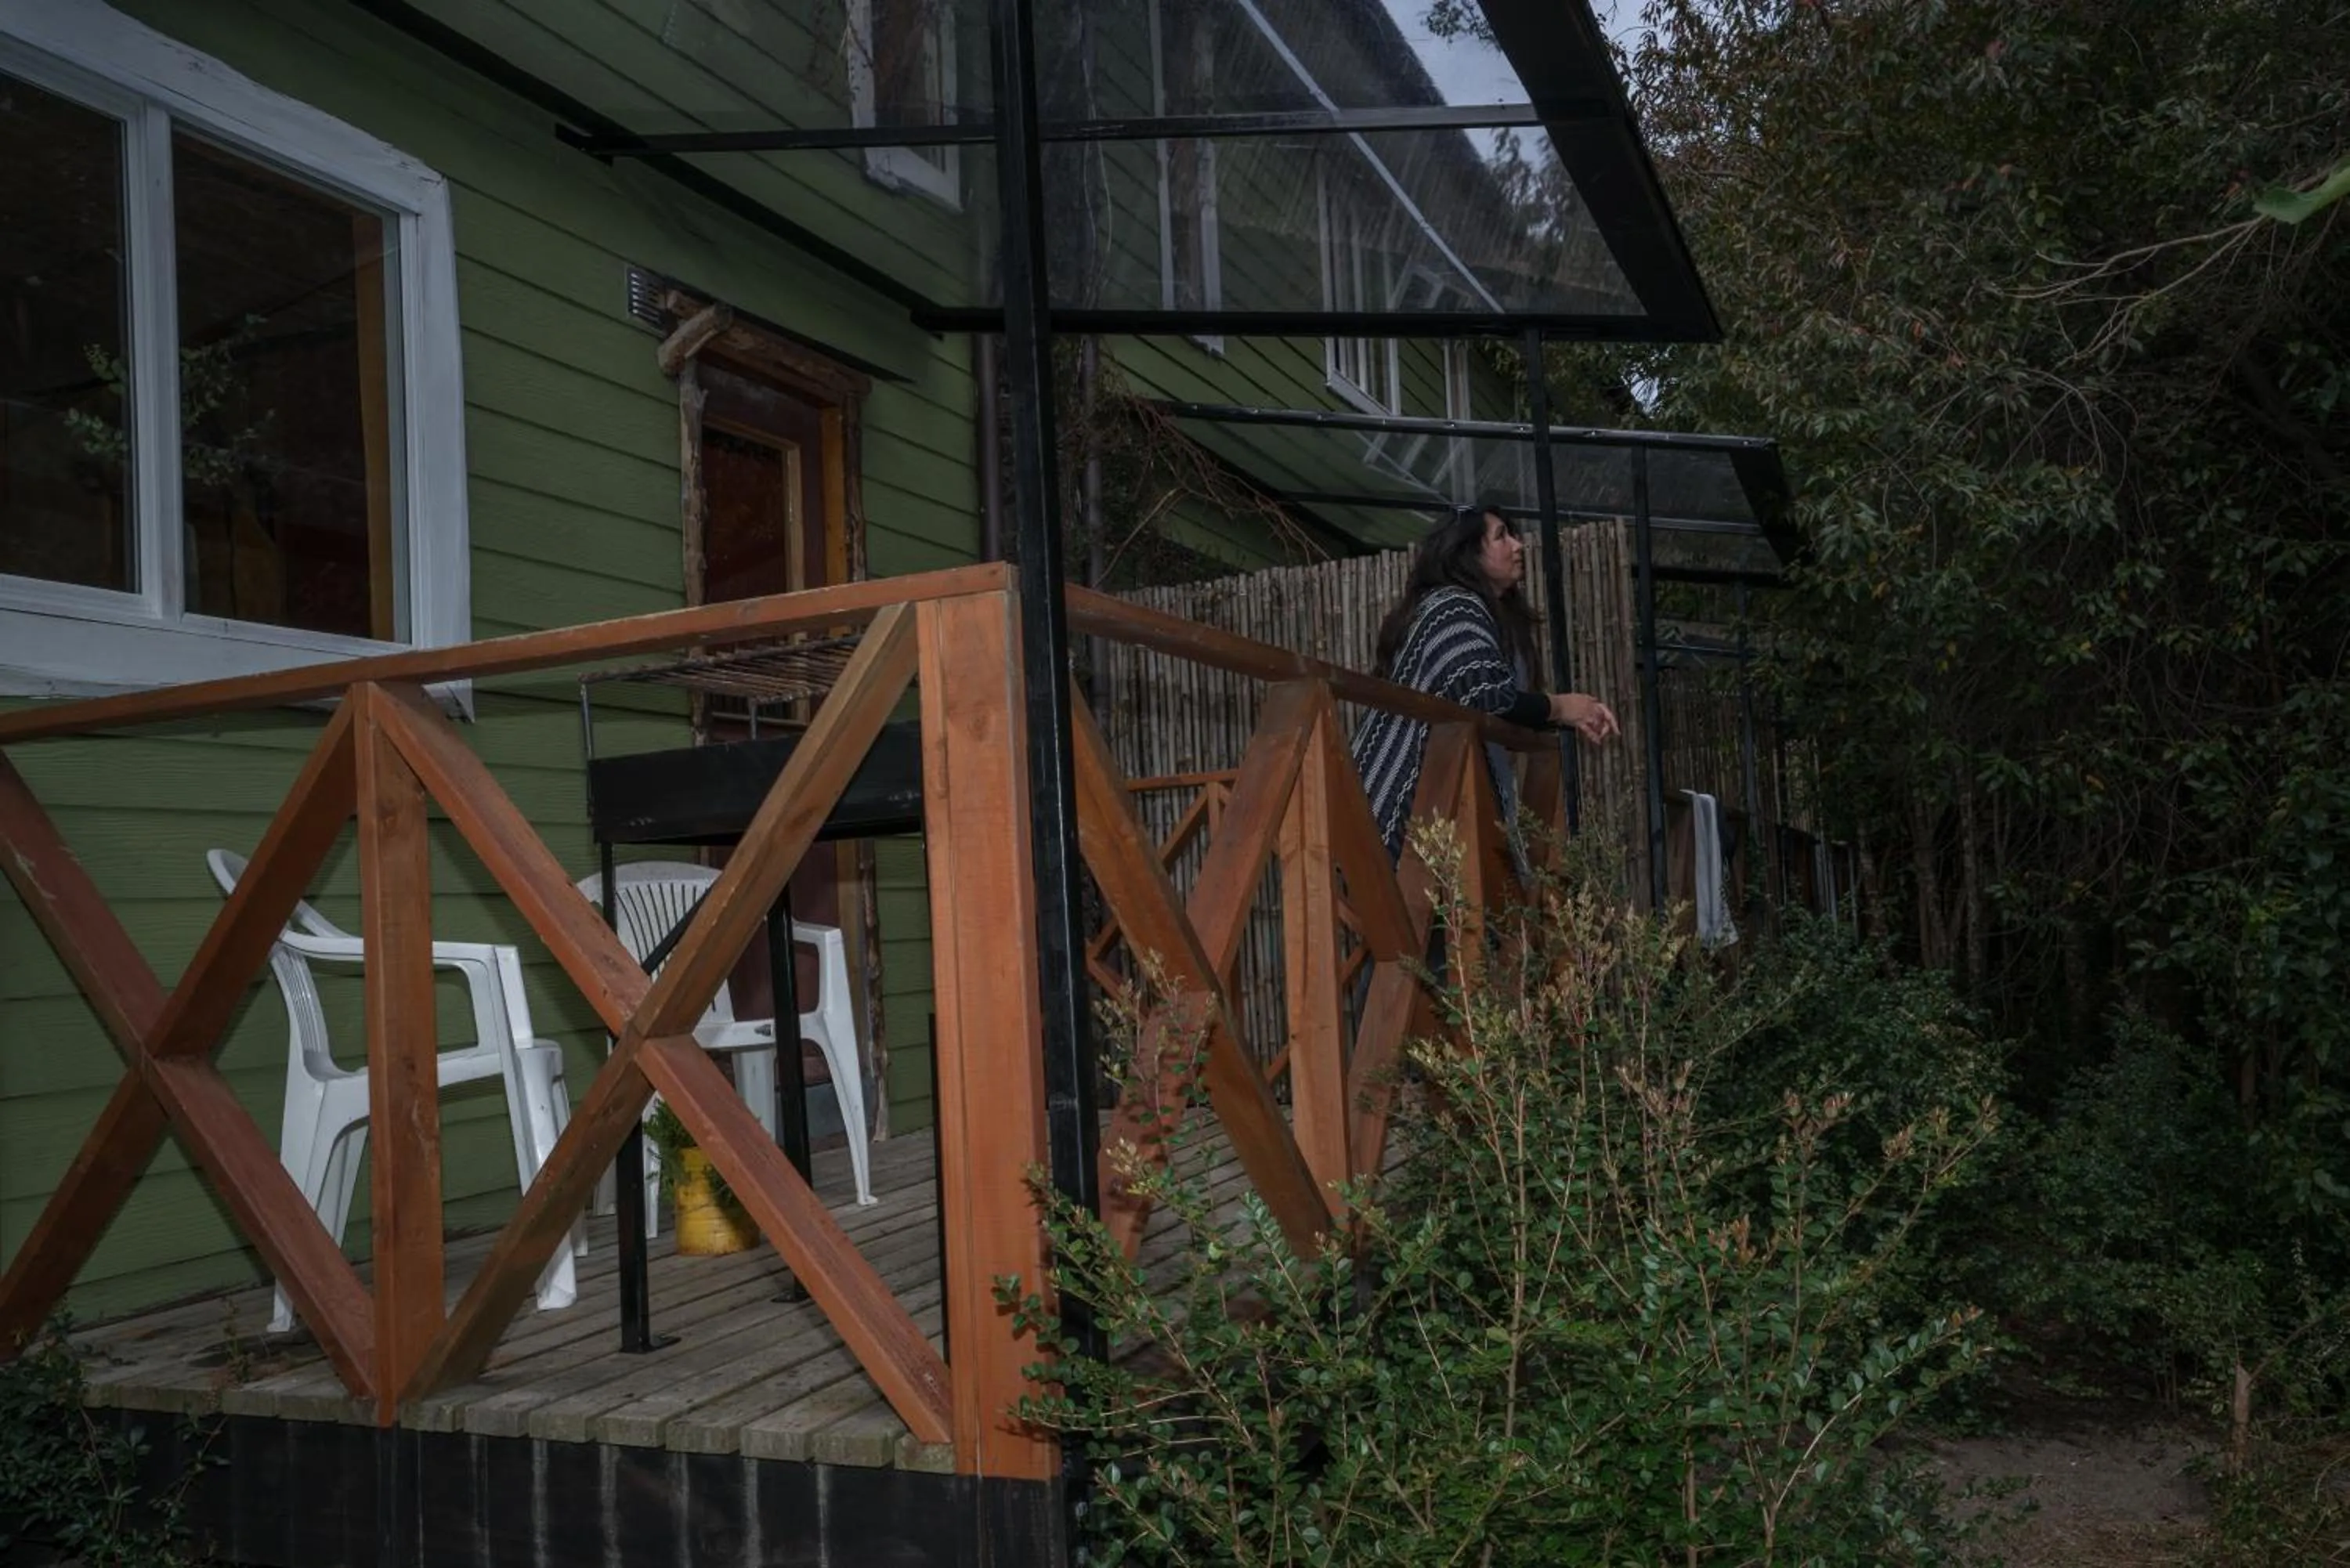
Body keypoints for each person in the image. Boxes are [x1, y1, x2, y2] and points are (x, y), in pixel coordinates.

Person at [1353, 502, 1619, 864]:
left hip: (1434, 810)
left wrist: (1566, 713)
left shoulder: (1479, 613)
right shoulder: (1452, 608)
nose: (1517, 545)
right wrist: (1563, 707)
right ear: (1468, 555)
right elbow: (1489, 696)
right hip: (1396, 809)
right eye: (1501, 537)